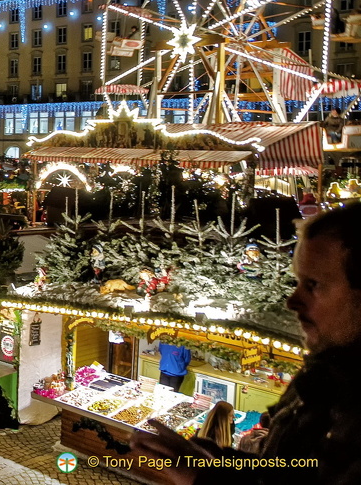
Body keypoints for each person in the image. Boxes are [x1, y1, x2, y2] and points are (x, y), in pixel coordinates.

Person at [131, 203, 361, 484]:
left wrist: (202, 478)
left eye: (313, 285)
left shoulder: (351, 411)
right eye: (297, 282)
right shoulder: (323, 377)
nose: (292, 302)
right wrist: (211, 456)